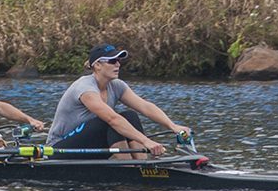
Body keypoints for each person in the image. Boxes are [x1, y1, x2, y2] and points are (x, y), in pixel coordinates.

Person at [47, 44, 191, 160]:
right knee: (109, 121)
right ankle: (128, 168)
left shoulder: (116, 85)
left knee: (130, 115)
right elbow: (112, 119)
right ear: (97, 65)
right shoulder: (85, 88)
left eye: (119, 61)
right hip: (59, 149)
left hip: (88, 144)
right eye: (112, 61)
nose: (118, 64)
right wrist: (146, 141)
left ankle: (141, 165)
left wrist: (173, 126)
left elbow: (145, 106)